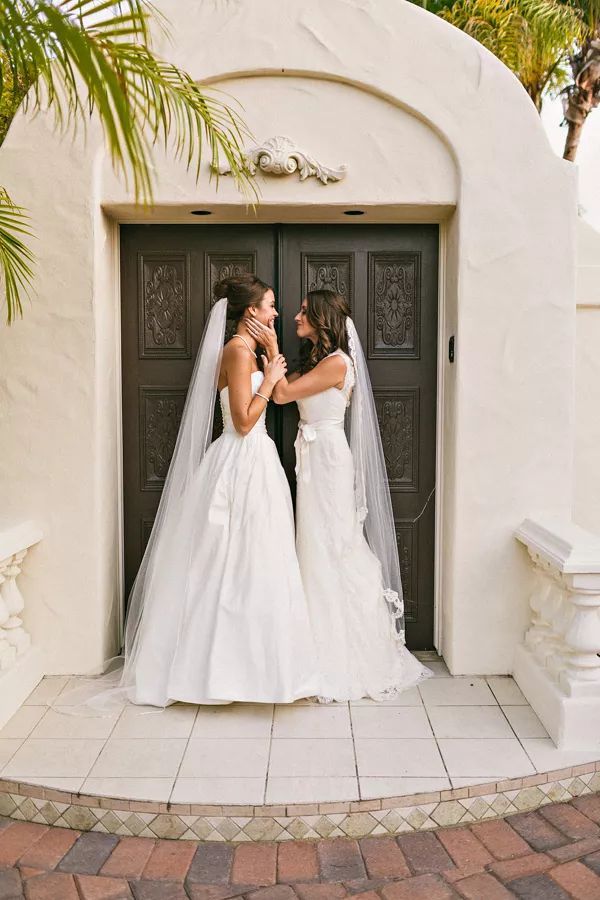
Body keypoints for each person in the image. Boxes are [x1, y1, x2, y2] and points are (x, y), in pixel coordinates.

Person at [100, 275, 322, 708]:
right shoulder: (238, 353)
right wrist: (269, 376)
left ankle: (261, 672)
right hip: (241, 461)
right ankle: (224, 674)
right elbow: (242, 421)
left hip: (256, 461)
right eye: (271, 305)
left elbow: (267, 403)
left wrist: (273, 359)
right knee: (231, 563)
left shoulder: (250, 350)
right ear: (250, 311)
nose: (277, 311)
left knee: (258, 561)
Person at [246, 290, 431, 702]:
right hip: (314, 459)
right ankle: (313, 648)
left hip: (327, 461)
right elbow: (286, 389)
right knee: (315, 546)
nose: (296, 317)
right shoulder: (320, 361)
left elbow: (281, 395)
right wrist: (278, 367)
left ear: (323, 319)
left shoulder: (337, 363)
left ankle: (346, 654)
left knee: (334, 545)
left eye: (305, 313)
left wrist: (274, 350)